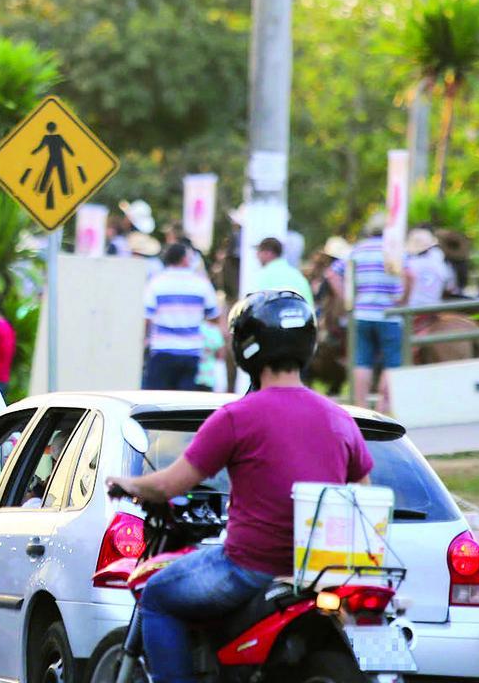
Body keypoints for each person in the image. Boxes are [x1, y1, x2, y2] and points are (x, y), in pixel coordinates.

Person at [107, 290, 373, 683]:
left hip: (250, 567)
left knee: (158, 595)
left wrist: (126, 482)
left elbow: (169, 485)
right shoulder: (340, 419)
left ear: (245, 346)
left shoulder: (237, 417)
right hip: (321, 571)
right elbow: (363, 493)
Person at [141, 243, 221, 391]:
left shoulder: (156, 282)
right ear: (184, 259)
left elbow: (147, 317)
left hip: (162, 349)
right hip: (191, 351)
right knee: (184, 403)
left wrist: (145, 341)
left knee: (156, 402)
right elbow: (213, 315)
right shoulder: (201, 283)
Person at [351, 212, 404, 412]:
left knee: (362, 361)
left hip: (362, 313)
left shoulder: (358, 249)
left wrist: (352, 299)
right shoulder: (393, 250)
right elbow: (409, 274)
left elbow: (334, 273)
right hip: (389, 314)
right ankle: (383, 408)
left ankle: (362, 407)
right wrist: (403, 298)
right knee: (392, 362)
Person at [251, 236, 314, 306]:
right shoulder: (297, 275)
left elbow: (254, 304)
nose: (256, 255)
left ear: (268, 253)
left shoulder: (264, 276)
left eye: (259, 251)